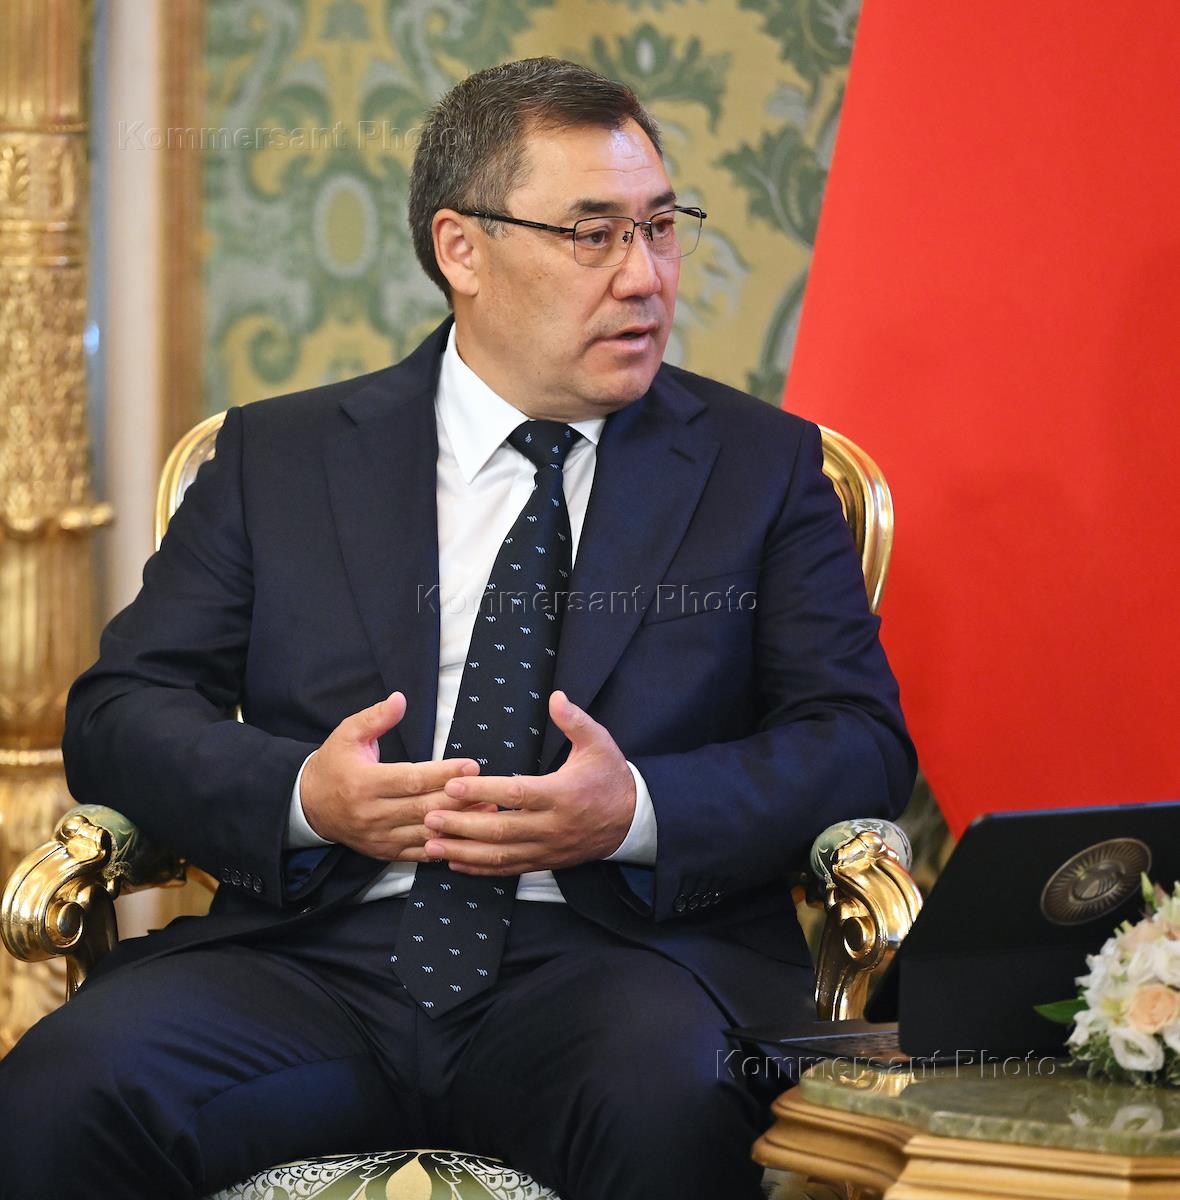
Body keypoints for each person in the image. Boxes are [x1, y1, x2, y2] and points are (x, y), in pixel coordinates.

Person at [0, 57, 914, 1200]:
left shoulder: (758, 468)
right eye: (593, 234)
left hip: (619, 969)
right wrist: (303, 795)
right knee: (61, 1091)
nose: (644, 276)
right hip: (312, 963)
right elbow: (119, 715)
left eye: (660, 227)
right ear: (461, 249)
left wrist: (635, 811)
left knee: (667, 1096)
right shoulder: (280, 459)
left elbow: (856, 739)